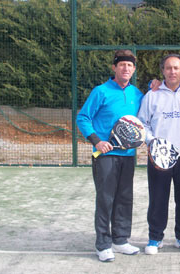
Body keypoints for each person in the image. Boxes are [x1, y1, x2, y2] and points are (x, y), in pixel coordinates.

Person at [76, 50, 143, 263]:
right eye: (122, 65)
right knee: (106, 199)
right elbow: (83, 118)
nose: (126, 68)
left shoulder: (137, 94)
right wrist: (97, 141)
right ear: (114, 68)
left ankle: (120, 240)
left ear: (133, 70)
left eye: (130, 65)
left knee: (125, 198)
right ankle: (103, 244)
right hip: (105, 156)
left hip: (128, 156)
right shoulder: (100, 91)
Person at [137, 53, 180, 255]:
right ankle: (155, 238)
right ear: (163, 71)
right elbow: (143, 123)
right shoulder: (152, 95)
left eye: (176, 68)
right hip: (158, 157)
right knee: (158, 198)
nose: (172, 71)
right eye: (168, 68)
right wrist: (153, 143)